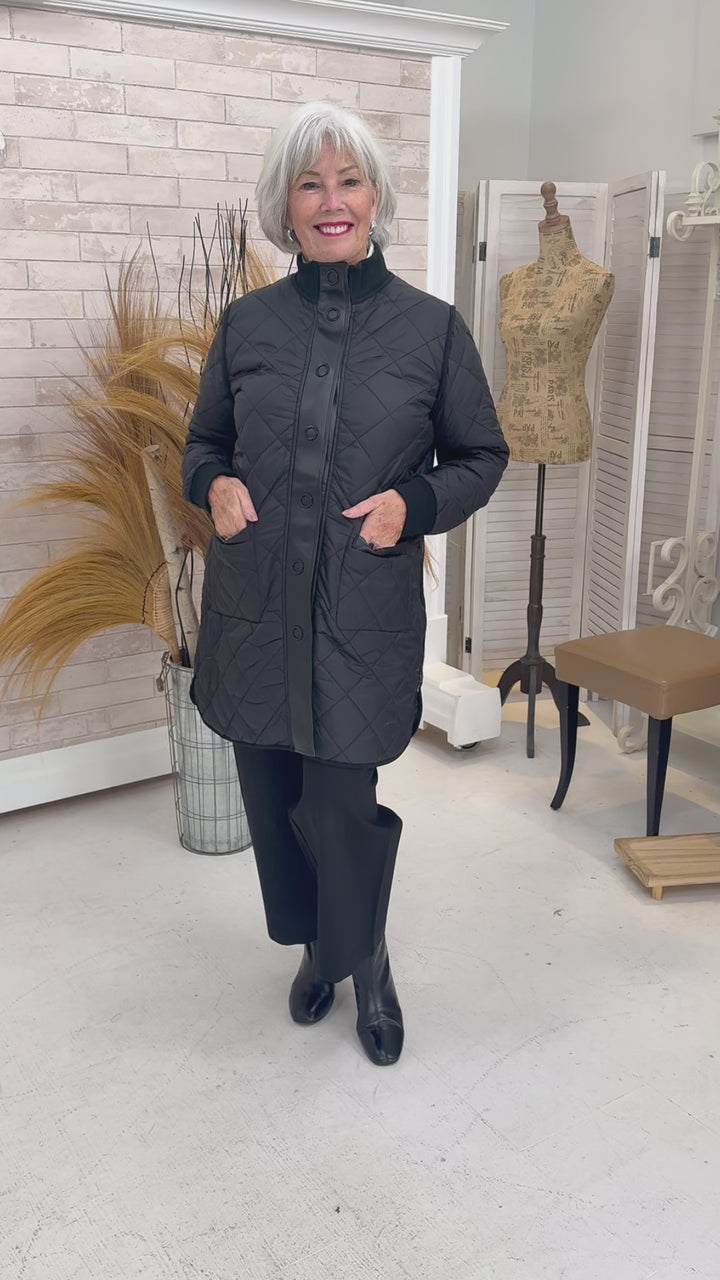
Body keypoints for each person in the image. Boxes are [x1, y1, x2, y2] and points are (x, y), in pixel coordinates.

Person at [181, 101, 508, 1066]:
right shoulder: (246, 325)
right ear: (285, 204)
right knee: (275, 800)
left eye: (349, 181)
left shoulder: (431, 330)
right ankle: (317, 952)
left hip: (358, 619)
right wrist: (215, 485)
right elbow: (203, 446)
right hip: (254, 612)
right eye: (310, 183)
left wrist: (415, 502)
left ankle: (368, 965)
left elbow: (482, 456)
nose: (332, 201)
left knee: (341, 808)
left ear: (375, 197)